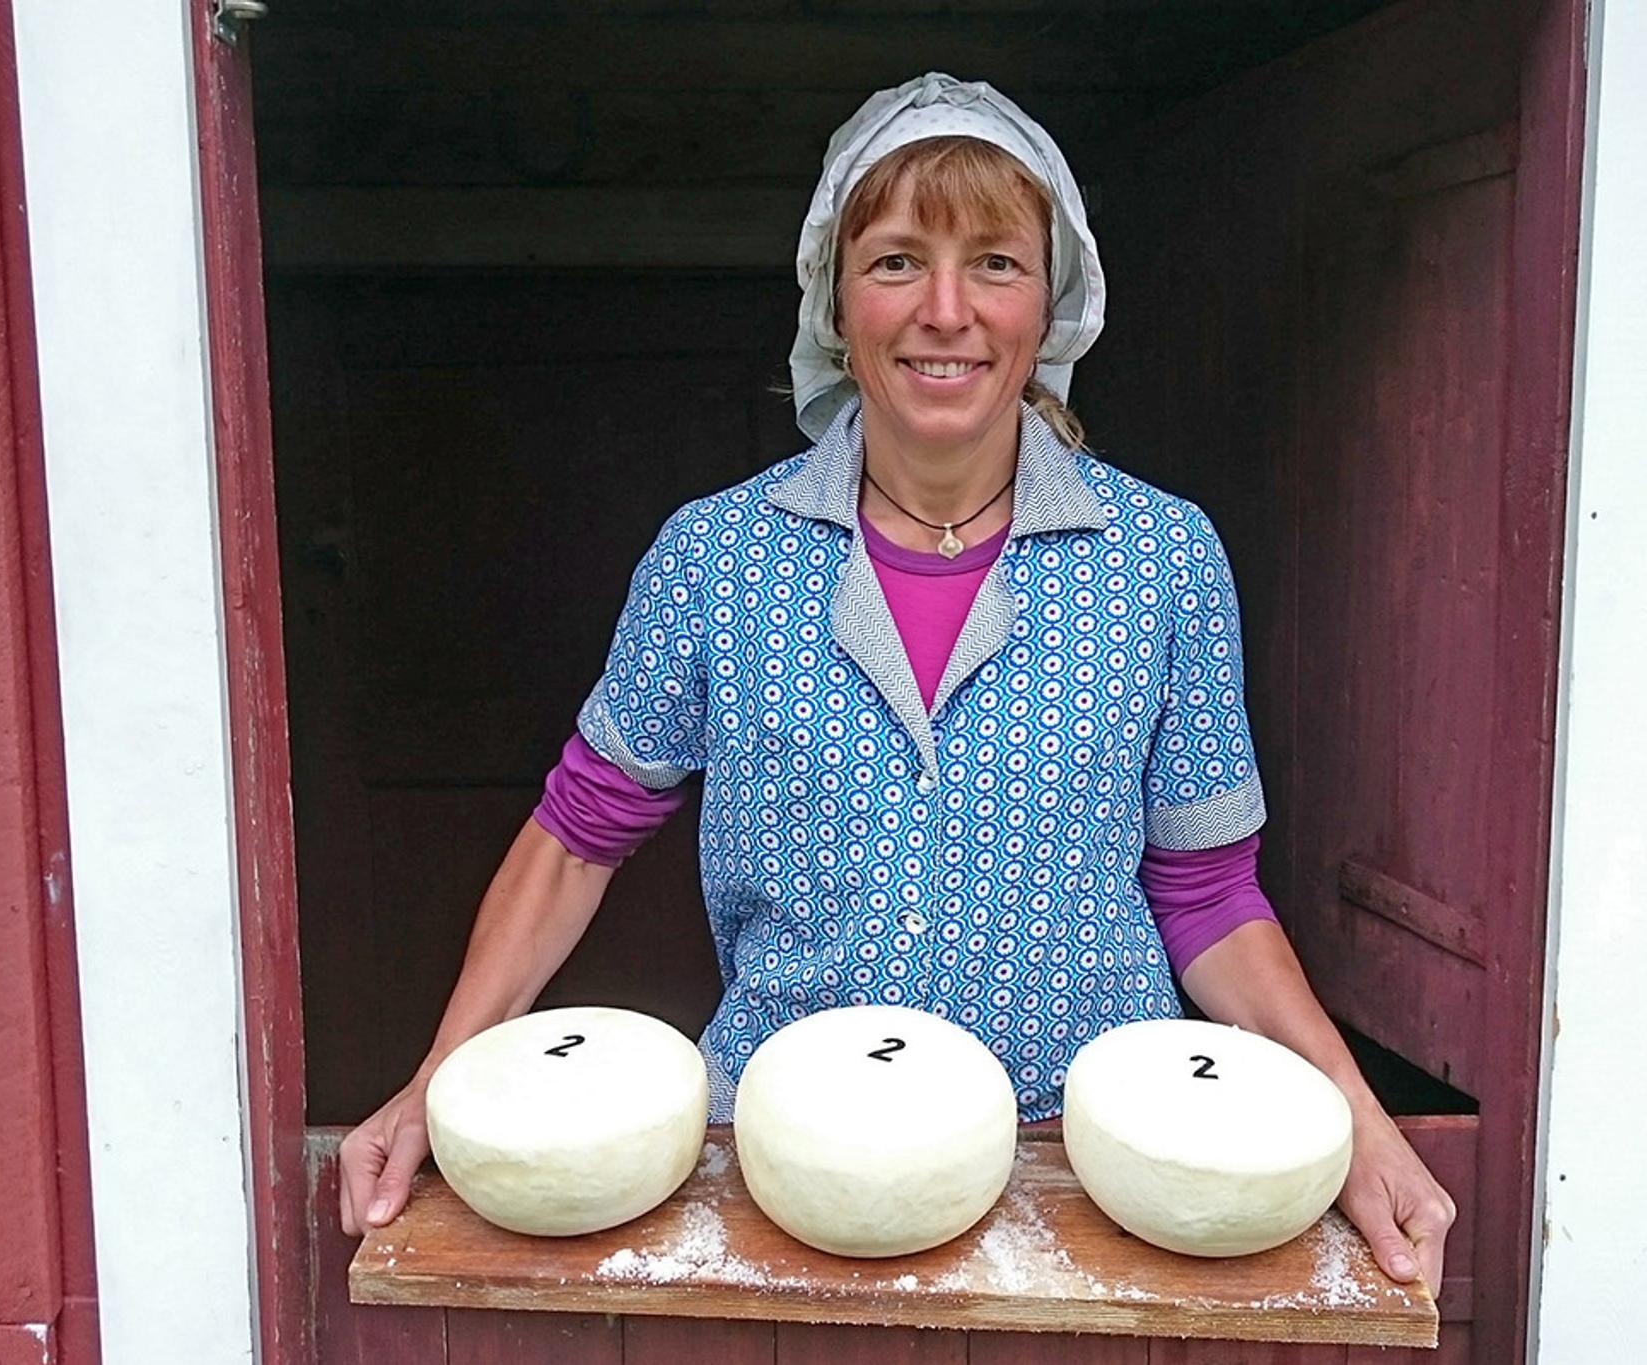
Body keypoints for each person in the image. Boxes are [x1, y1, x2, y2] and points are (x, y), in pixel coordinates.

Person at [338, 72, 1455, 1292]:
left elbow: (1206, 893)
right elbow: (577, 835)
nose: (944, 312)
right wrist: (439, 1081)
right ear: (833, 300)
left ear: (1052, 300)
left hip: (1080, 1166)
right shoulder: (717, 555)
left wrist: (1355, 1122)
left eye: (992, 262)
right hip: (781, 1163)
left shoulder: (1161, 561)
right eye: (892, 263)